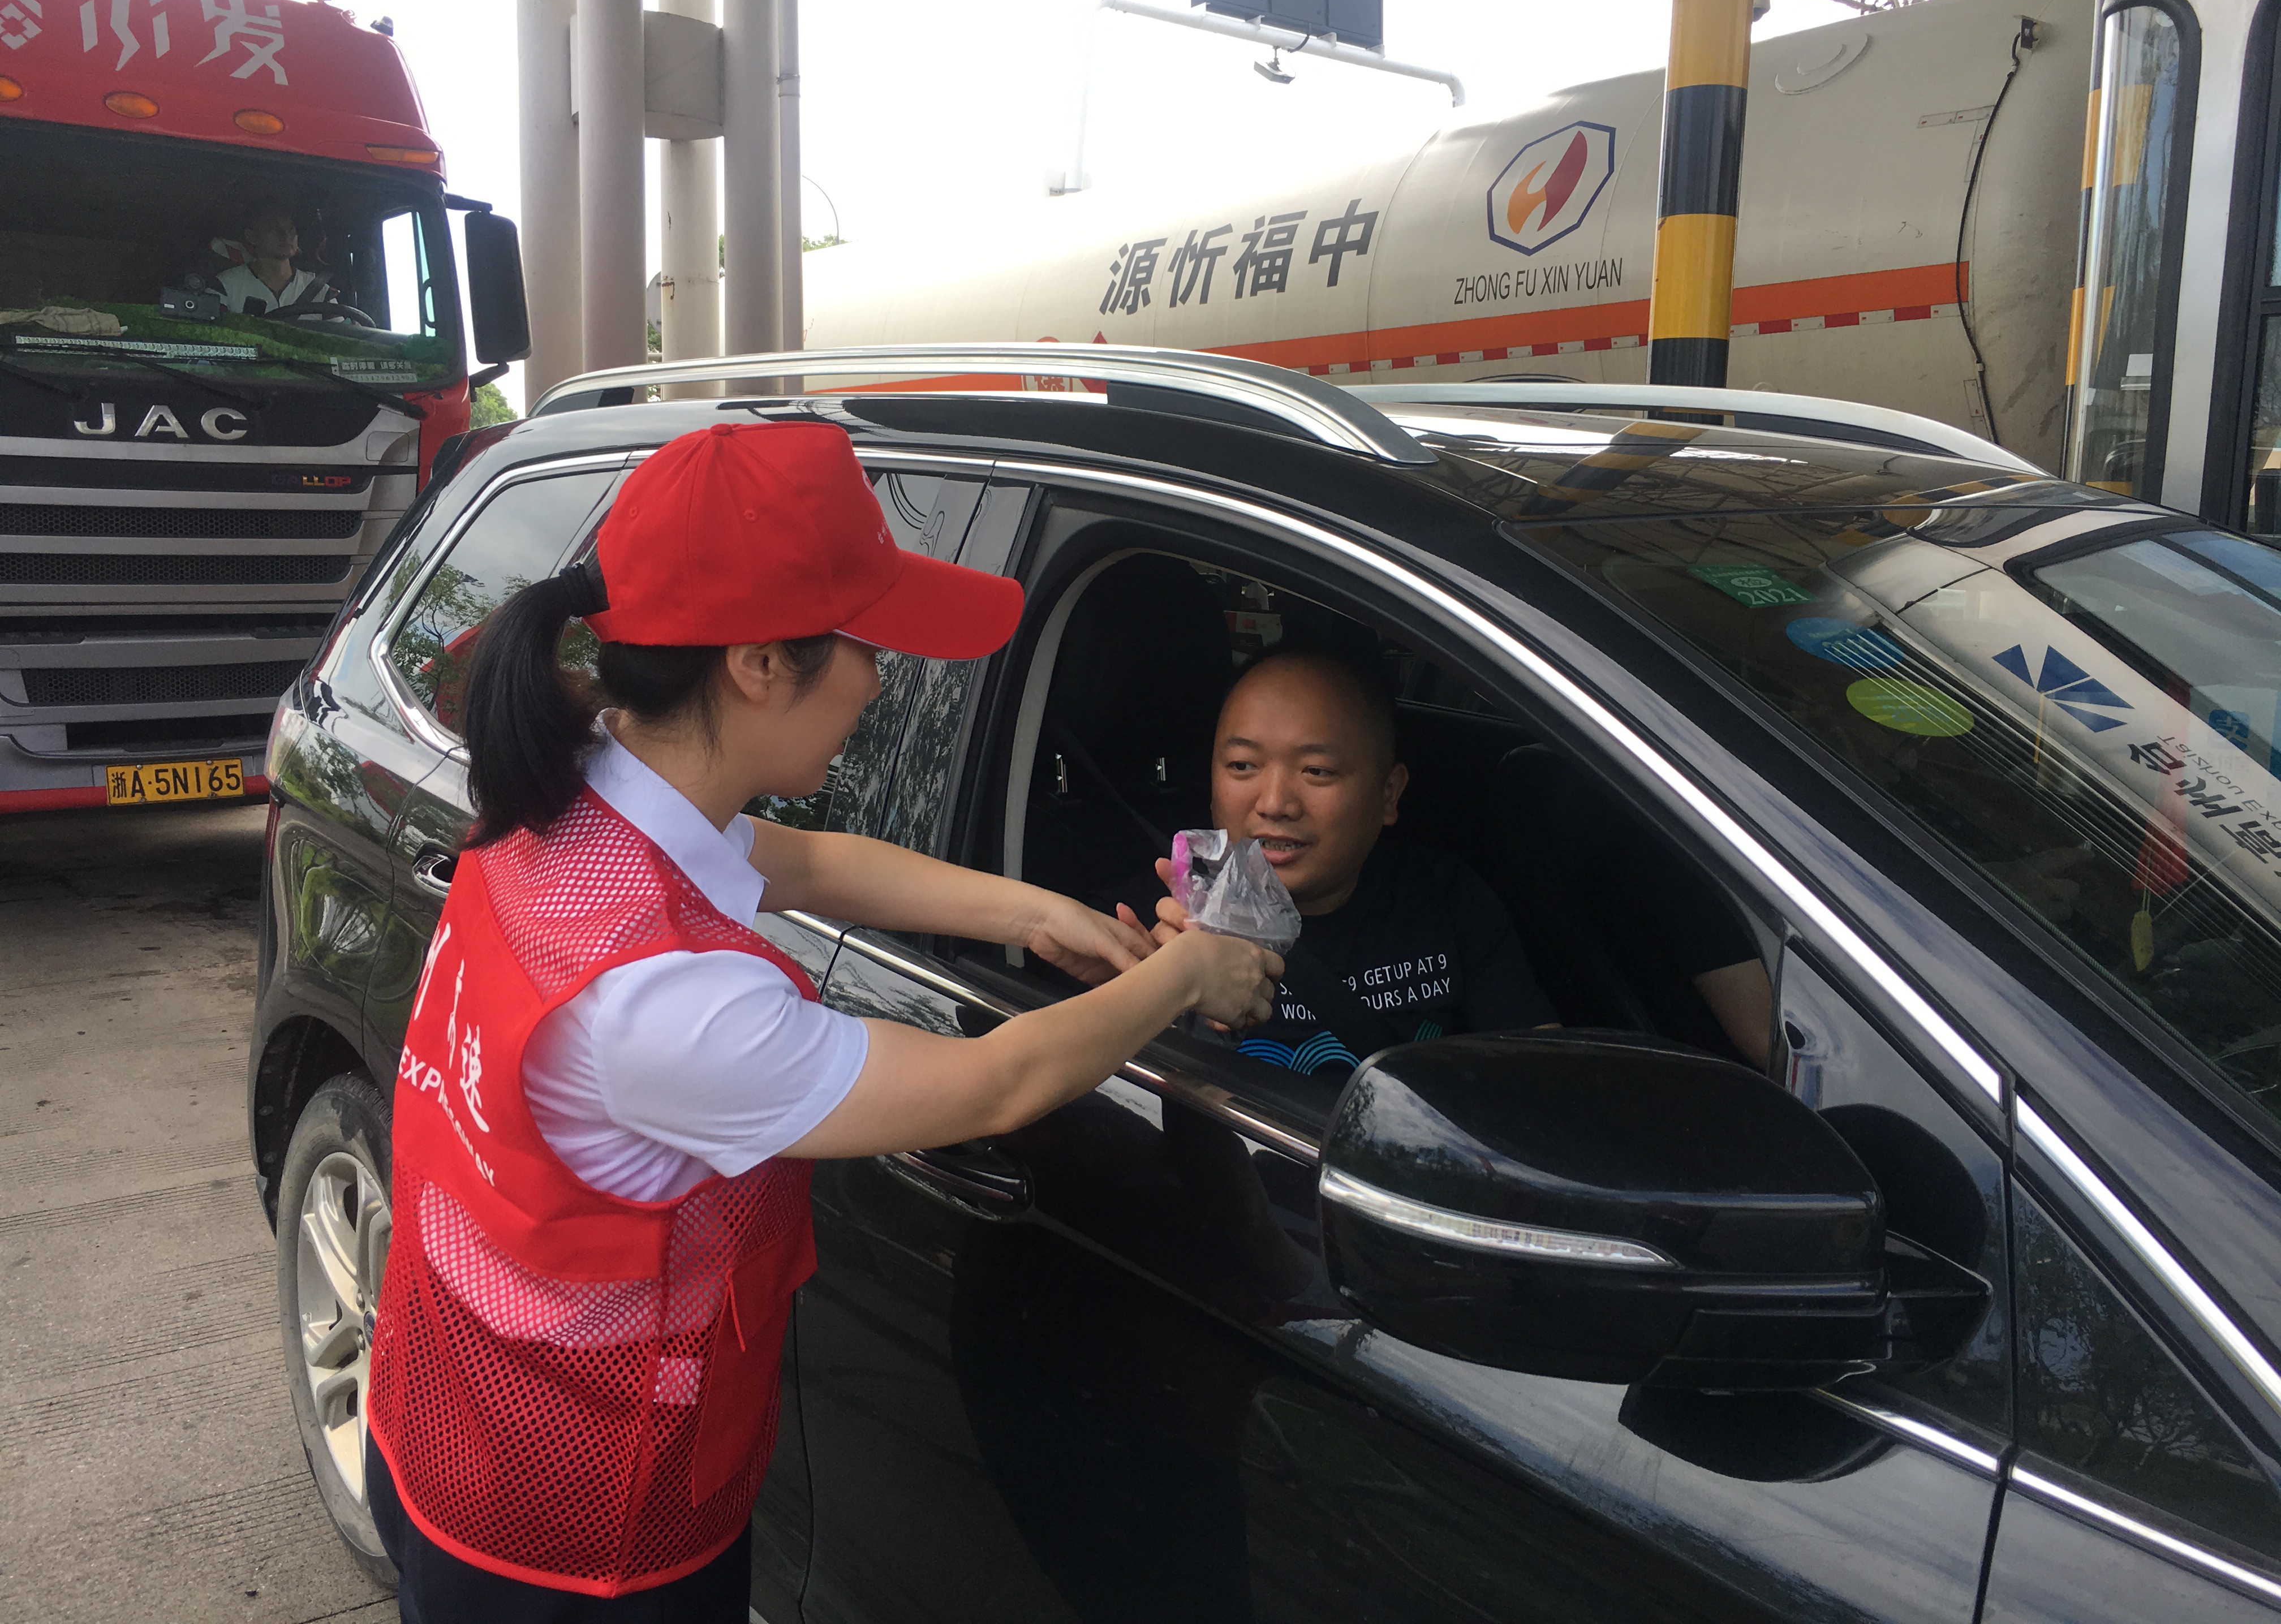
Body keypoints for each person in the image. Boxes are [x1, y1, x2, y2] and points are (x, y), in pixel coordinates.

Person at [361, 421, 1280, 1622]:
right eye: (867, 643)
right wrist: (1190, 971)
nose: (882, 682)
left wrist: (1035, 911)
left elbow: (807, 862)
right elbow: (995, 1084)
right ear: (756, 663)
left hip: (447, 1416)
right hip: (581, 1545)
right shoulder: (667, 1002)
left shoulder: (582, 787)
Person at [1118, 648, 1775, 1077]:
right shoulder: (1163, 923)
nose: (1274, 802)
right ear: (1213, 786)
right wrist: (1168, 993)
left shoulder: (1445, 899)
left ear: (1389, 795)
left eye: (1317, 771)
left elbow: (1541, 1081)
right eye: (1242, 766)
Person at [216, 196, 320, 315]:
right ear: (252, 236)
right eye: (273, 229)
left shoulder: (321, 291)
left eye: (291, 229)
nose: (286, 235)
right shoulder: (224, 287)